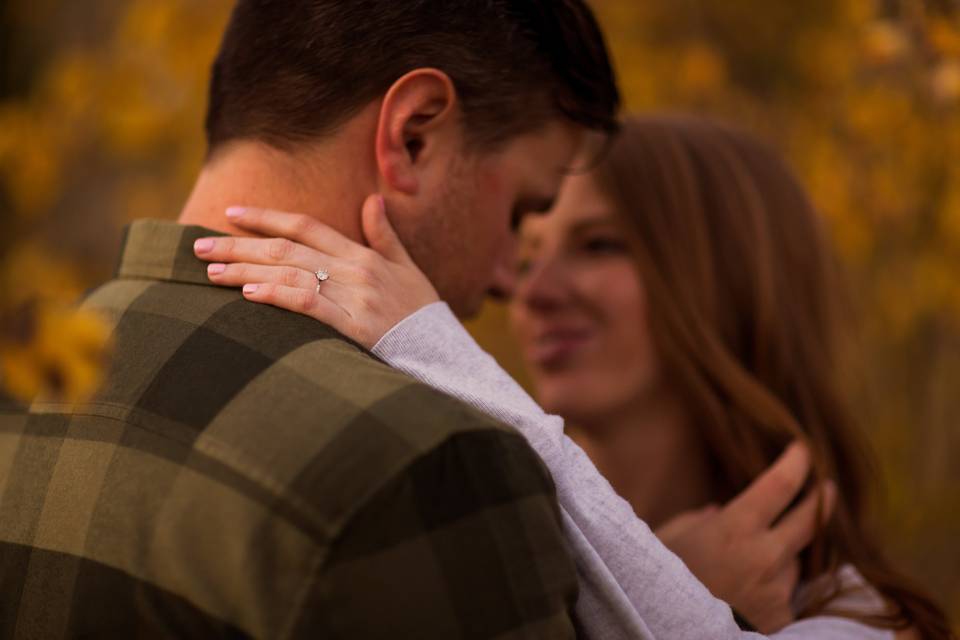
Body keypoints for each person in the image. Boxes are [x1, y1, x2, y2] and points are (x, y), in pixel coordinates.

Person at [0, 3, 819, 639]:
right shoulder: (428, 466)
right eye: (524, 213)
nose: (513, 280)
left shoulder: (21, 384)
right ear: (415, 136)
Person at [197, 115, 954, 639]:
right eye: (527, 258)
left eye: (597, 246)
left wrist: (425, 342)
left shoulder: (859, 618)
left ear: (731, 281)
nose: (536, 289)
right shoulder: (491, 561)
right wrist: (679, 587)